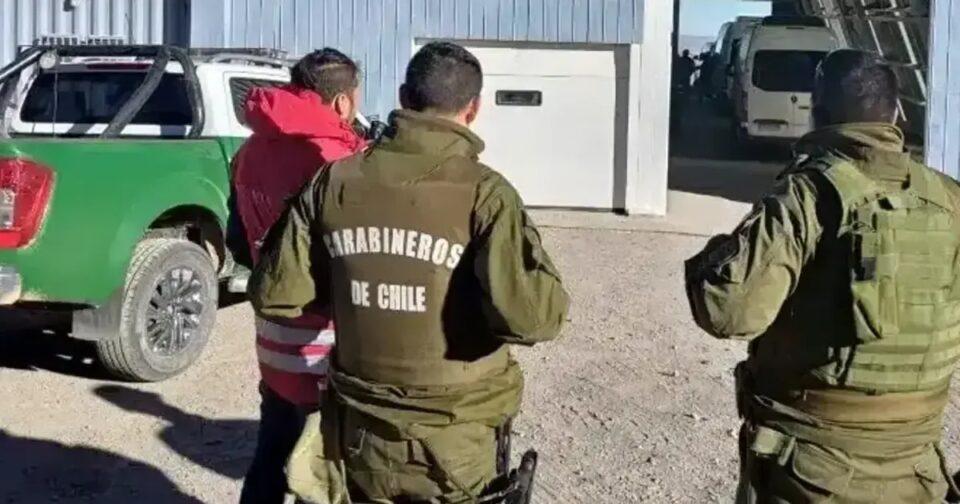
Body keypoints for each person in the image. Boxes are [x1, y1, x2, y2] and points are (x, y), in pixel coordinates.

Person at [249, 41, 570, 502]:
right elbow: (535, 320)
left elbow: (275, 294)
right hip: (456, 443)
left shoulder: (332, 181)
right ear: (474, 109)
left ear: (403, 97)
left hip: (360, 439)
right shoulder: (488, 195)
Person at [685, 49, 960, 503]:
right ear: (897, 113)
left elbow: (727, 313)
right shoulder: (949, 200)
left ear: (818, 114)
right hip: (918, 474)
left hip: (812, 474)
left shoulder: (806, 195)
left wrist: (717, 256)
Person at [235, 48, 366, 504]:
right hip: (323, 348)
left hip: (272, 338)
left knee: (271, 453)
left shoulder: (250, 150)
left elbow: (239, 240)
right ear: (343, 102)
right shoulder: (339, 159)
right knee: (322, 476)